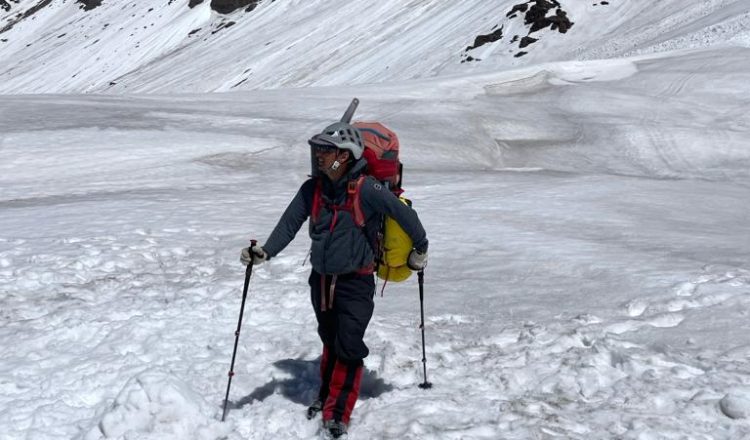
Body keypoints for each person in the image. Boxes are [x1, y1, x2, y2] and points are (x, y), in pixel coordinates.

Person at [240, 121, 428, 438]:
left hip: (357, 280)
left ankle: (337, 411)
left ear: (345, 155)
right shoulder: (312, 190)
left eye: (326, 151)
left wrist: (420, 249)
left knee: (349, 344)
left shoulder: (367, 188)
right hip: (322, 281)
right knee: (331, 338)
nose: (319, 157)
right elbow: (289, 224)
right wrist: (266, 252)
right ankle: (327, 396)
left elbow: (404, 215)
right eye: (319, 150)